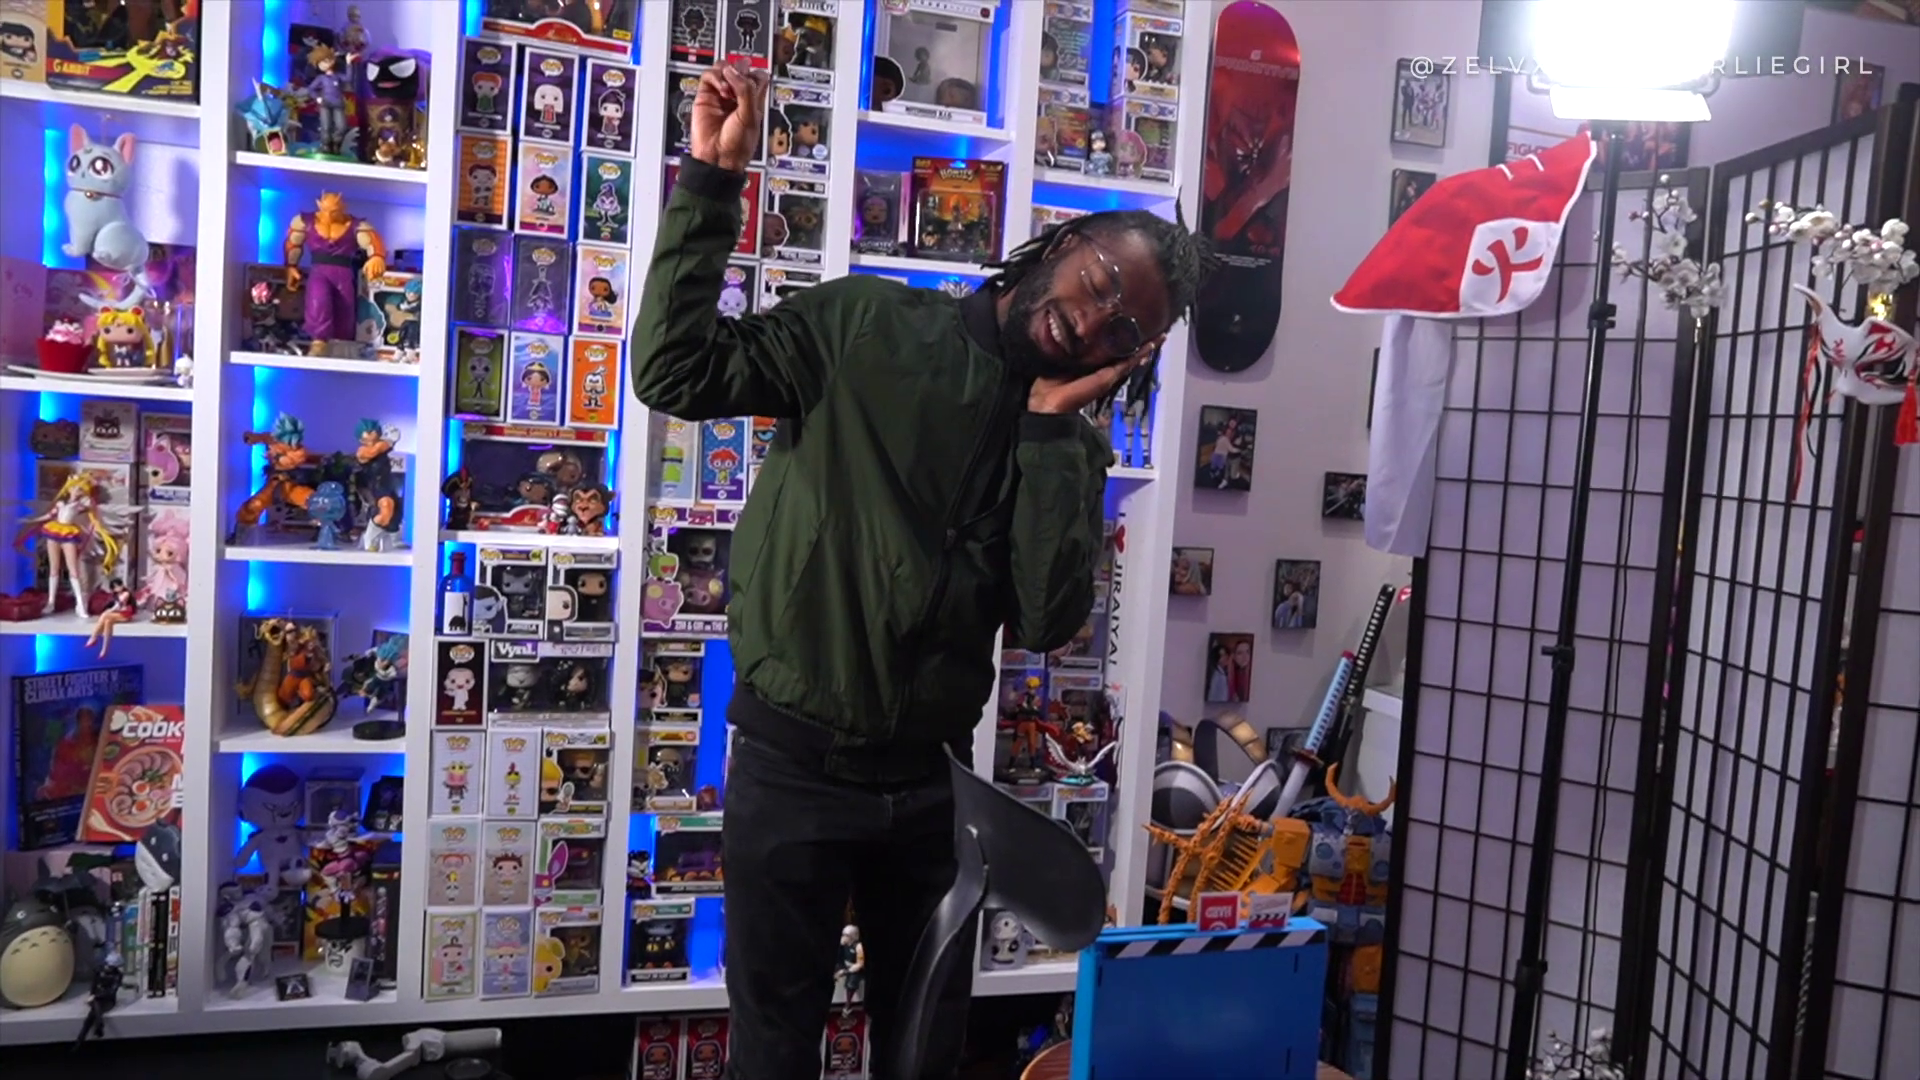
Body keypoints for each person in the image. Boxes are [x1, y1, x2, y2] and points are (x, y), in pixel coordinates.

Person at [628, 61, 1217, 1080]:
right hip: (791, 769)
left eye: (1127, 330)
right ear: (1063, 246)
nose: (1095, 322)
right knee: (773, 1049)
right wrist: (711, 185)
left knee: (925, 1051)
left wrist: (1048, 435)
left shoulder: (1067, 448)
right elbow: (672, 369)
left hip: (934, 788)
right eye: (1103, 287)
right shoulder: (866, 325)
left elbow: (1044, 620)